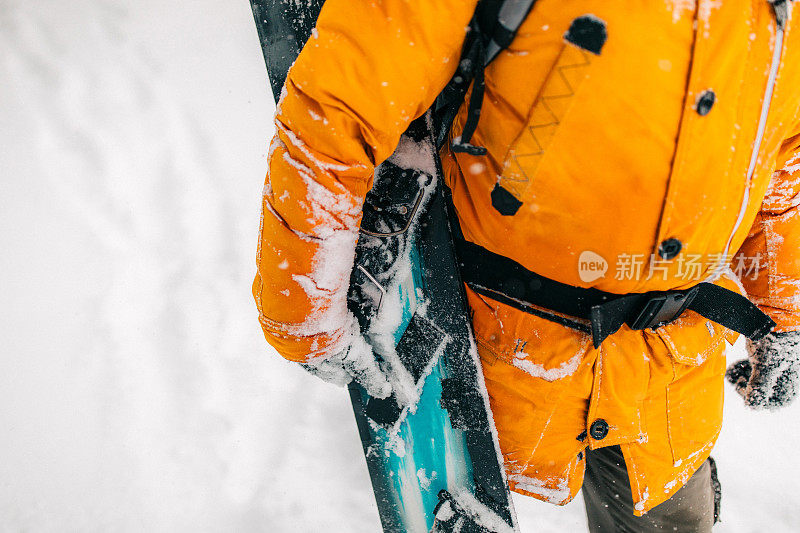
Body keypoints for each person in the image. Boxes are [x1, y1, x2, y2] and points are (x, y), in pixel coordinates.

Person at [253, 0, 800, 530]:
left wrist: (788, 312)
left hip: (668, 372)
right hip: (485, 353)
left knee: (677, 519)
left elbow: (784, 166)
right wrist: (304, 313)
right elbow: (338, 110)